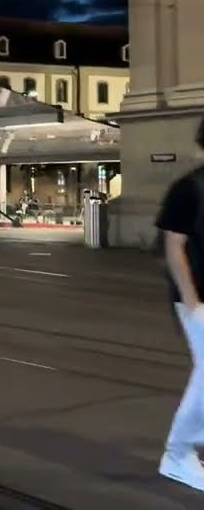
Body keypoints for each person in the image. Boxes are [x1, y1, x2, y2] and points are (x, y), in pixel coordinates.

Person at [155, 117, 204, 492]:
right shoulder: (188, 189)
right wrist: (192, 303)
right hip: (197, 298)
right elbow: (174, 248)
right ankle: (178, 455)